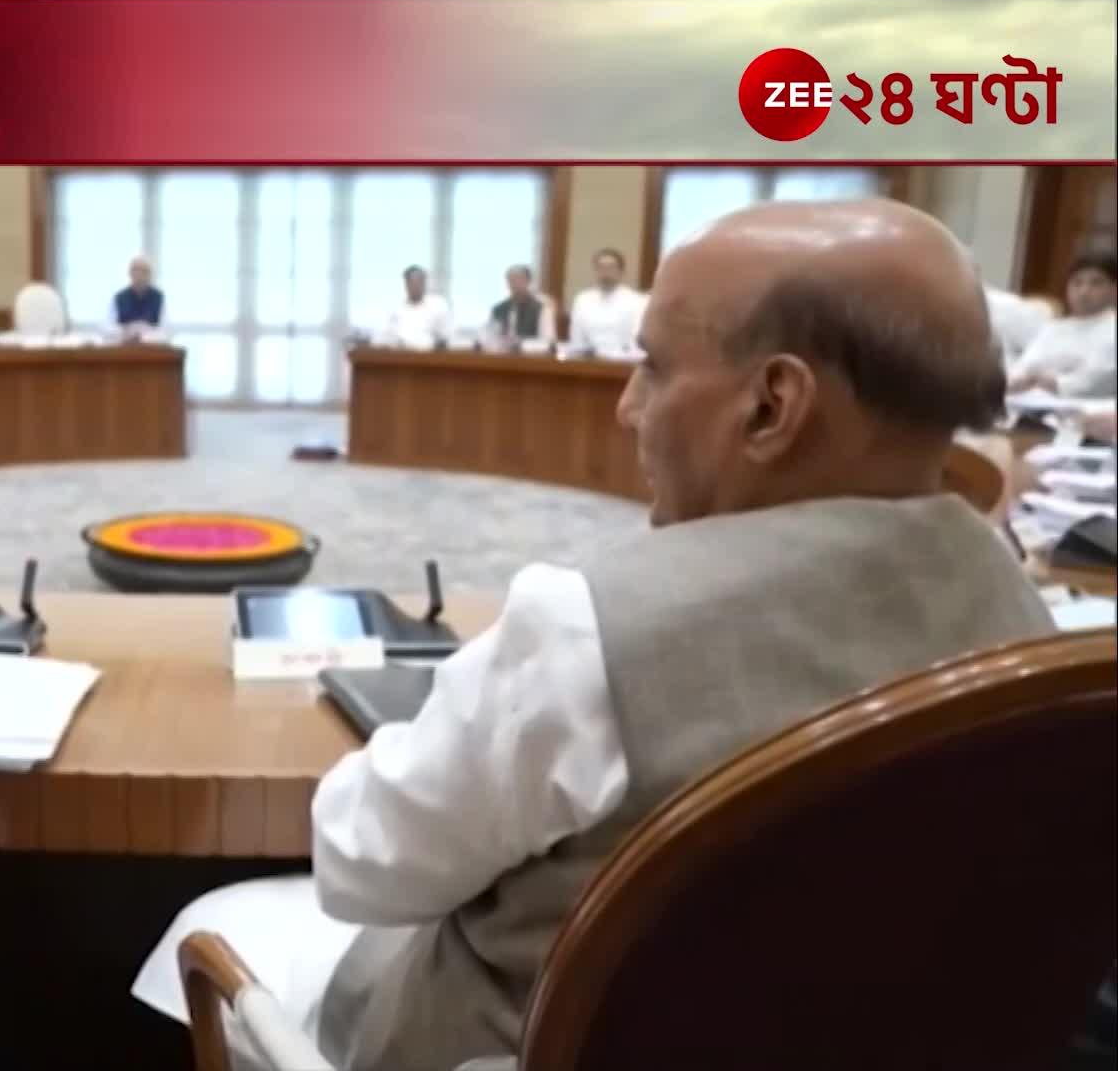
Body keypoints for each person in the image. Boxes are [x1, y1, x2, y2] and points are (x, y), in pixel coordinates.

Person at [130, 198, 1055, 1070]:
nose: (626, 407)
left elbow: (363, 864)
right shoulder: (1025, 615)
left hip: (535, 1045)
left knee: (218, 923)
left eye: (654, 368)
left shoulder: (592, 628)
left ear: (772, 405)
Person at [1009, 251, 1118, 398]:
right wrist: (1022, 380)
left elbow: (1092, 383)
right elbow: (1023, 368)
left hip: (1088, 407)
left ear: (1114, 290)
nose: (1084, 292)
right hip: (1031, 400)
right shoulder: (1054, 328)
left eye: (1096, 283)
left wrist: (1045, 381)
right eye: (1077, 283)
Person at [568, 247, 647, 359]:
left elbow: (636, 342)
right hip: (589, 361)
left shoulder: (637, 301)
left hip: (624, 360)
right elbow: (577, 340)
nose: (605, 272)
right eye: (601, 267)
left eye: (611, 267)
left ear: (621, 271)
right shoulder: (582, 299)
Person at [378, 265, 453, 350]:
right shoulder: (396, 309)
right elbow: (387, 337)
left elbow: (445, 337)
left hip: (429, 355)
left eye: (419, 282)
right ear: (406, 284)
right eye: (412, 282)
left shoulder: (438, 306)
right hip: (400, 354)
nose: (416, 286)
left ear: (424, 283)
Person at [487, 264, 557, 349]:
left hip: (531, 354)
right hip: (501, 354)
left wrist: (521, 344)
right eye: (511, 280)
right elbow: (490, 337)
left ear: (529, 282)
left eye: (519, 280)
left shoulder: (541, 308)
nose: (514, 284)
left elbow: (548, 341)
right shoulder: (498, 309)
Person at [113, 255, 165, 341]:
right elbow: (109, 326)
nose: (139, 274)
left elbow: (164, 328)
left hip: (151, 344)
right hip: (125, 343)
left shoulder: (159, 297)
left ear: (150, 274)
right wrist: (127, 332)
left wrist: (145, 334)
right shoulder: (119, 297)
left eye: (143, 271)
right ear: (130, 273)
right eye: (136, 270)